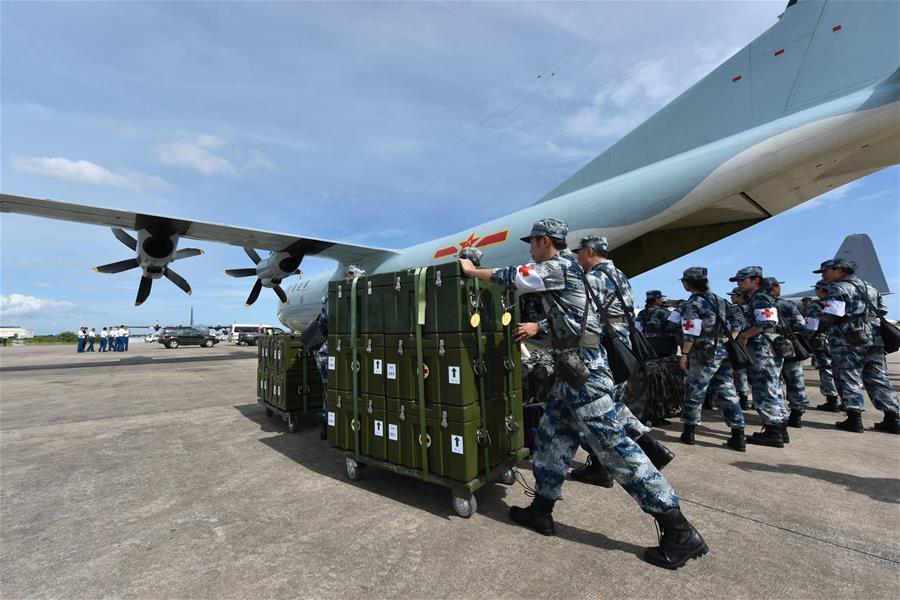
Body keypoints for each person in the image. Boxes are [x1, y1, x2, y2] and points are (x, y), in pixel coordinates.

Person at [459, 219, 707, 570]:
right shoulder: (574, 271)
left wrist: (472, 271)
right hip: (570, 370)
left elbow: (512, 275)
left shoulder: (558, 267)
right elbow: (569, 315)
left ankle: (679, 530)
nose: (530, 248)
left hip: (585, 375)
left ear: (545, 241)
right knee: (551, 438)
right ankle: (541, 511)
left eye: (532, 242)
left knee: (616, 450)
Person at [570, 235, 675, 486]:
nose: (577, 257)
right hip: (623, 344)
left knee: (597, 408)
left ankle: (612, 466)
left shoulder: (594, 278)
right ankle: (650, 448)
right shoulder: (619, 275)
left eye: (579, 252)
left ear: (590, 251)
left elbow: (582, 315)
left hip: (606, 347)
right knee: (613, 404)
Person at [816, 258, 899, 434]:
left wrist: (817, 325)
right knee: (878, 377)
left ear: (840, 270)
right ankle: (892, 418)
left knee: (848, 376)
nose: (823, 274)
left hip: (848, 338)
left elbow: (831, 315)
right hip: (874, 336)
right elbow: (882, 310)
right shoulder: (870, 286)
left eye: (826, 271)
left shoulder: (839, 288)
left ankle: (854, 419)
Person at [676, 268, 745, 451]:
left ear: (689, 283)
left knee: (695, 390)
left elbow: (690, 332)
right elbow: (738, 319)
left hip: (702, 351)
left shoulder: (693, 303)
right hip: (722, 350)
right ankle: (738, 434)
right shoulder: (720, 300)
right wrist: (730, 337)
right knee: (726, 390)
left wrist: (684, 354)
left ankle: (689, 432)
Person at [733, 266, 788, 448]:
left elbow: (767, 322)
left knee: (765, 389)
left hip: (763, 350)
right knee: (774, 387)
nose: (740, 284)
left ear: (755, 280)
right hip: (766, 348)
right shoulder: (759, 297)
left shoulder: (761, 297)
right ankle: (780, 428)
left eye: (743, 281)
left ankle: (773, 432)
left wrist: (745, 335)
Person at [316, 264, 367, 438]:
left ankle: (328, 425)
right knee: (351, 389)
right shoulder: (362, 295)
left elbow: (323, 322)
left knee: (330, 389)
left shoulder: (331, 295)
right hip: (348, 351)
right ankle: (348, 426)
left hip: (329, 350)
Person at [767, 278, 810, 428]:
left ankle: (780, 414)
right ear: (774, 288)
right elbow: (801, 325)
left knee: (774, 381)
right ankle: (797, 415)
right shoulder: (788, 304)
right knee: (795, 379)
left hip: (769, 346)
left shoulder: (758, 305)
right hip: (790, 345)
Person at [806, 279, 841, 411]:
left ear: (821, 290)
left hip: (822, 340)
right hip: (838, 340)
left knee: (826, 368)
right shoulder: (837, 304)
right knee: (839, 370)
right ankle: (847, 400)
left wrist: (807, 339)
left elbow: (811, 326)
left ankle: (832, 400)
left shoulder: (816, 305)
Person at [730, 287, 752, 410]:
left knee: (740, 371)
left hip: (740, 341)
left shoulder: (735, 308)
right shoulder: (753, 306)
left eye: (733, 295)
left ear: (740, 296)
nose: (731, 298)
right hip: (756, 343)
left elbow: (735, 326)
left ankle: (744, 399)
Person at [637, 290, 677, 357]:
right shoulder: (664, 313)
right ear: (656, 299)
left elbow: (638, 329)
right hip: (664, 345)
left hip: (647, 345)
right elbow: (673, 327)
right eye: (661, 298)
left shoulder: (641, 313)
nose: (662, 300)